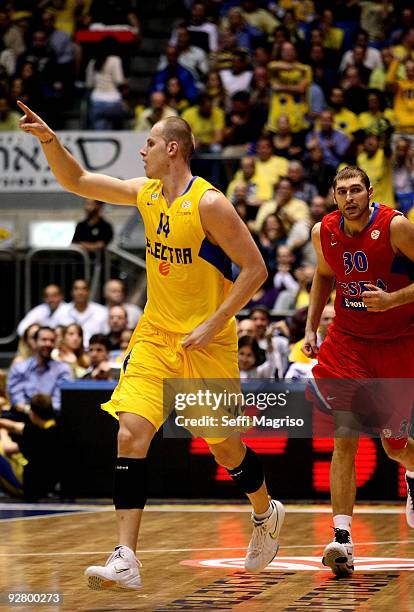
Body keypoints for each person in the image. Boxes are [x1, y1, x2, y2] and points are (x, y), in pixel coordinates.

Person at [18, 101, 285, 590]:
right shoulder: (146, 194)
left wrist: (215, 321)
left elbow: (256, 270)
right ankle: (126, 557)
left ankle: (265, 511)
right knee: (130, 434)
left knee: (224, 448)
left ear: (173, 149)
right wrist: (49, 141)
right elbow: (77, 181)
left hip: (207, 342)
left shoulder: (209, 204)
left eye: (150, 143)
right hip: (156, 336)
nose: (142, 151)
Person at [301, 166, 414, 578]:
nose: (349, 197)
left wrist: (392, 299)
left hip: (398, 343)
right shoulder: (324, 231)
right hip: (348, 341)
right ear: (334, 196)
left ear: (370, 192)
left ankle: (412, 473)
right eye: (341, 191)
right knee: (344, 433)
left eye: (356, 190)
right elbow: (325, 276)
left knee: (395, 445)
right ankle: (342, 539)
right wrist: (312, 325)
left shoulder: (396, 227)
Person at [7, 326, 72, 413]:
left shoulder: (62, 369)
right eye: (44, 340)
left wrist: (42, 414)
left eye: (52, 340)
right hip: (24, 414)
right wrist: (30, 412)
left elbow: (59, 401)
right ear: (35, 342)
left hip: (52, 417)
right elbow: (16, 399)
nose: (48, 344)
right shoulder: (19, 368)